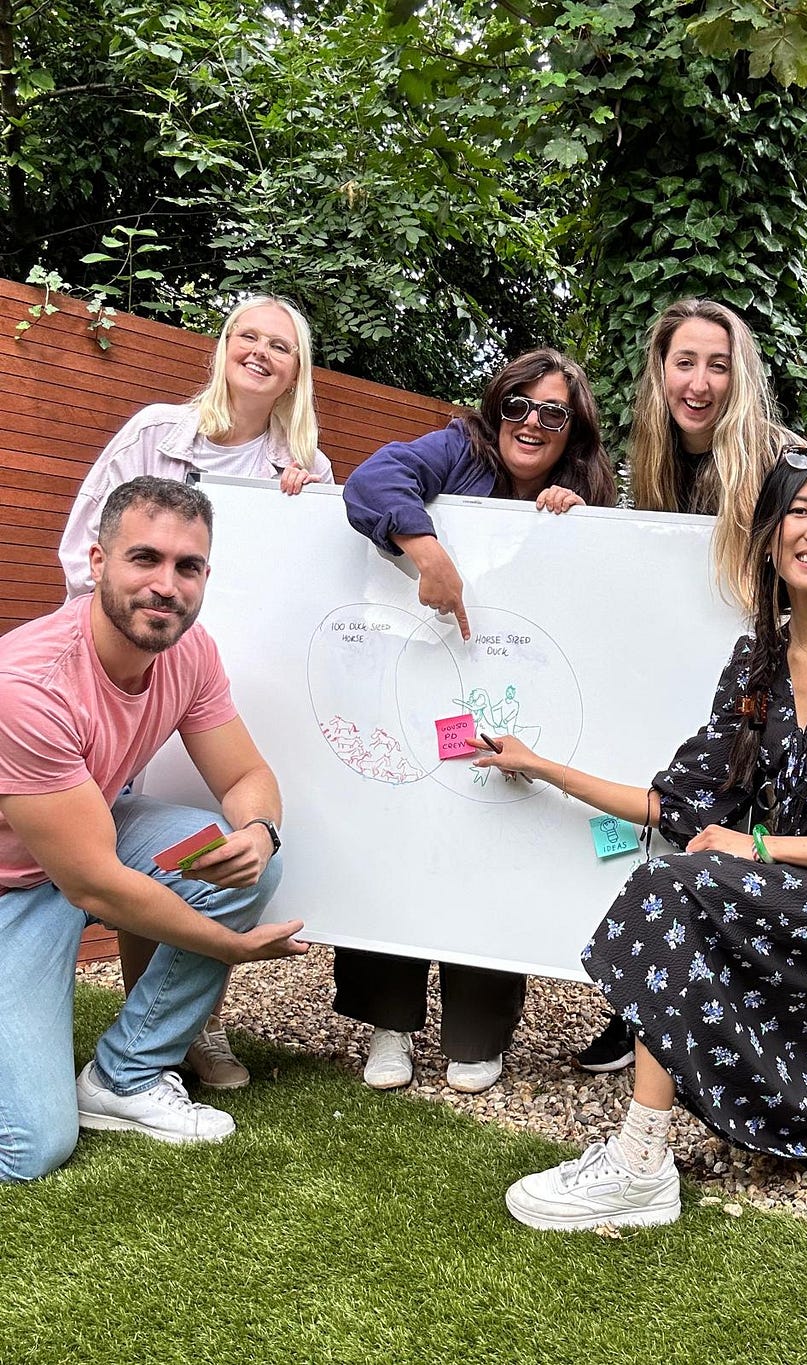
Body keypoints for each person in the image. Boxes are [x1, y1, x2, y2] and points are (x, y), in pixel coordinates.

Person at [471, 447, 807, 1232]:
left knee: (673, 888)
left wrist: (757, 849)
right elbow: (684, 806)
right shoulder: (755, 663)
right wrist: (542, 766)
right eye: (799, 512)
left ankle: (641, 1160)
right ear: (769, 538)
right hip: (794, 898)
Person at [58, 294, 332, 1090]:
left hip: (234, 682)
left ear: (295, 370)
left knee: (215, 849)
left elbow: (315, 581)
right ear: (222, 347)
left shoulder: (307, 468)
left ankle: (194, 1029)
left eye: (279, 344)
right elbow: (85, 544)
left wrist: (305, 505)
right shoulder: (155, 432)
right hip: (137, 675)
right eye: (247, 335)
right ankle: (153, 1018)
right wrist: (119, 654)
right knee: (145, 858)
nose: (260, 351)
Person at [0, 477, 308, 1183]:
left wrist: (260, 832)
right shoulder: (29, 684)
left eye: (188, 566)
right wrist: (230, 947)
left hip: (85, 838)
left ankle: (126, 1077)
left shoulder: (189, 654)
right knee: (29, 1146)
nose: (167, 585)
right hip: (13, 886)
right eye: (145, 558)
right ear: (97, 560)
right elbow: (94, 884)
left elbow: (245, 778)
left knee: (245, 857)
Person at [337, 348, 617, 1094]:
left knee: (497, 836)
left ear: (573, 428)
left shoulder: (585, 493)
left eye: (553, 412)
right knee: (403, 830)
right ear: (497, 409)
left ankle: (477, 1031)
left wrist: (579, 529)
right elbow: (371, 480)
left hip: (516, 698)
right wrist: (428, 549)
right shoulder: (458, 449)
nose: (531, 422)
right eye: (518, 405)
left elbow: (598, 597)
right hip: (418, 674)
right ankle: (389, 1021)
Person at [577, 296, 799, 1075]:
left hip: (771, 685)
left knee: (739, 844)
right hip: (693, 684)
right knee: (672, 827)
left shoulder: (777, 459)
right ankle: (645, 1007)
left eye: (718, 363)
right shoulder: (661, 463)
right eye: (684, 362)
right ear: (661, 372)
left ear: (739, 374)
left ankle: (742, 1027)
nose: (700, 381)